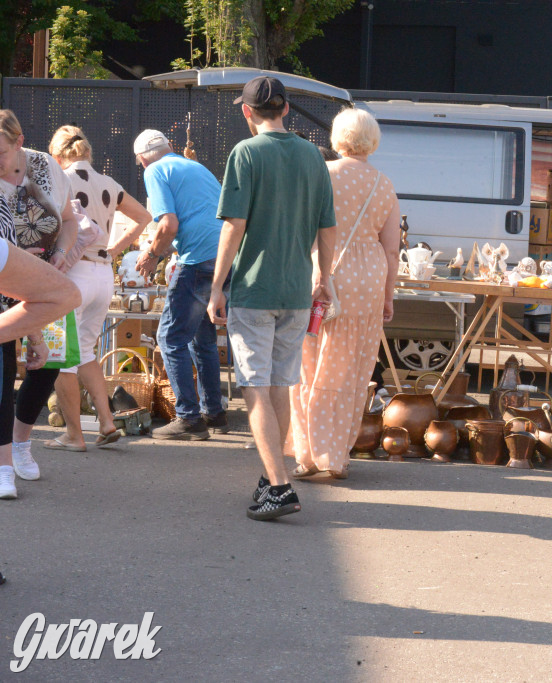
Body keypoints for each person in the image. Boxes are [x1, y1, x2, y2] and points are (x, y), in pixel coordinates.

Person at [208, 76, 336, 521]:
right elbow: (327, 227)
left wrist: (216, 285)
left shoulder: (246, 153)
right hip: (297, 289)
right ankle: (272, 475)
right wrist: (325, 276)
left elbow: (232, 226)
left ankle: (279, 487)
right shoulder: (311, 154)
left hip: (255, 288)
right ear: (285, 109)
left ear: (247, 112)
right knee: (279, 385)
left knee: (255, 388)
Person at [287, 108, 400, 481]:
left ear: (337, 137)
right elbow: (392, 249)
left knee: (309, 364)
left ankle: (308, 454)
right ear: (373, 140)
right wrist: (388, 296)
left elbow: (301, 230)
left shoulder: (323, 175)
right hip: (367, 280)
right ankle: (338, 455)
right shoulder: (384, 184)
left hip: (324, 274)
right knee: (352, 370)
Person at [37, 126, 152, 452]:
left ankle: (74, 435)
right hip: (102, 275)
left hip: (71, 274)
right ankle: (104, 422)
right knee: (85, 351)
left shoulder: (60, 179)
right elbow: (143, 217)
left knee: (60, 357)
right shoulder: (108, 184)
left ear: (57, 156)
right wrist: (114, 251)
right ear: (87, 152)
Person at [133, 128, 228, 440]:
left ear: (141, 161)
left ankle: (188, 417)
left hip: (199, 258)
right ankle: (213, 411)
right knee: (201, 337)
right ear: (170, 146)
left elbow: (169, 223)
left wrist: (152, 255)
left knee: (170, 337)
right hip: (225, 255)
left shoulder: (156, 171)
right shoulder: (194, 166)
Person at [0, 109, 78, 490]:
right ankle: (3, 459)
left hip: (47, 285)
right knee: (4, 372)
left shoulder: (45, 166)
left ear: (18, 143)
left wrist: (62, 254)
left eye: (0, 152)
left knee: (47, 365)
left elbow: (70, 219)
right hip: (5, 285)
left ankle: (22, 443)